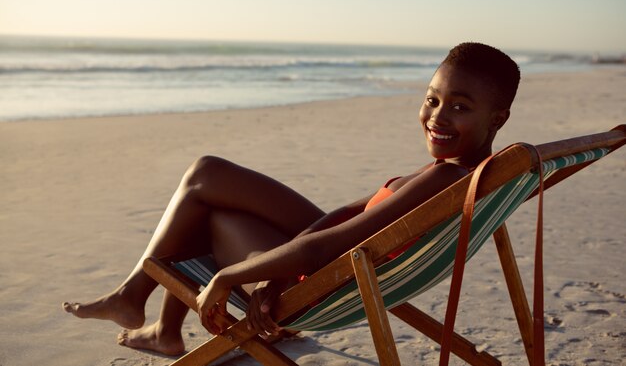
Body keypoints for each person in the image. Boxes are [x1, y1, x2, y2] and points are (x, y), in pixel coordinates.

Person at [63, 42, 520, 356]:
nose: (437, 116)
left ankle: (150, 315)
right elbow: (348, 214)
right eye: (432, 99)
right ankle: (152, 317)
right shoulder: (463, 170)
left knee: (205, 200)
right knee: (208, 173)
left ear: (497, 117)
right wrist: (276, 274)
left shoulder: (447, 179)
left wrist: (228, 277)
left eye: (460, 106)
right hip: (344, 263)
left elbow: (328, 246)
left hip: (332, 280)